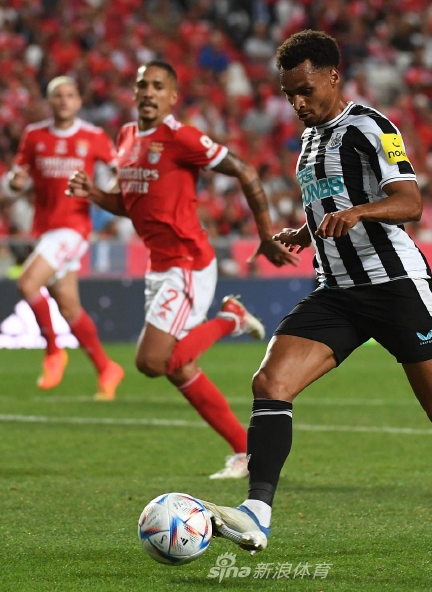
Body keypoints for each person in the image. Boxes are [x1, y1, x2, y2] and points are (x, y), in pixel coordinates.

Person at [189, 30, 432, 553]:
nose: (297, 103)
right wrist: (306, 231)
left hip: (395, 287)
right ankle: (257, 513)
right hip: (336, 292)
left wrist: (360, 213)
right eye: (288, 94)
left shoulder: (371, 127)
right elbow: (333, 204)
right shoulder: (309, 142)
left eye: (305, 90)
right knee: (270, 383)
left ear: (332, 77)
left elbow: (410, 202)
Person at [67, 60, 297, 479]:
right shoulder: (126, 136)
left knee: (152, 361)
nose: (149, 92)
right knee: (181, 368)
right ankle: (246, 452)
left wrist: (265, 234)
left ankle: (230, 318)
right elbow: (131, 203)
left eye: (158, 86)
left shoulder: (181, 137)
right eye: (142, 85)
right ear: (134, 93)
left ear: (172, 96)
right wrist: (94, 193)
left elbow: (244, 169)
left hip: (188, 263)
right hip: (160, 267)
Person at [6, 76, 125, 399]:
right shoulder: (34, 136)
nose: (64, 100)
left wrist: (108, 194)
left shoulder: (93, 136)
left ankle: (53, 352)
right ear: (50, 101)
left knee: (27, 283)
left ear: (78, 101)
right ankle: (107, 368)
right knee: (69, 307)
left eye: (70, 95)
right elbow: (18, 175)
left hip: (74, 228)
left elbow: (120, 168)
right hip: (46, 228)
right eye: (58, 95)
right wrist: (15, 182)